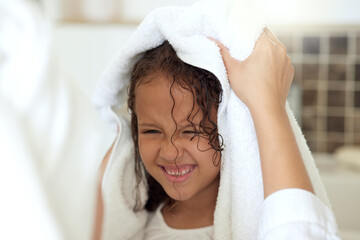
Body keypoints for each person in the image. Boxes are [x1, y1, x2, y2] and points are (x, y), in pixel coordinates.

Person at [94, 28, 339, 239]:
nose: (170, 151)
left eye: (191, 130)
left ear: (230, 126)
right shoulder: (134, 225)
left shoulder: (260, 227)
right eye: (151, 130)